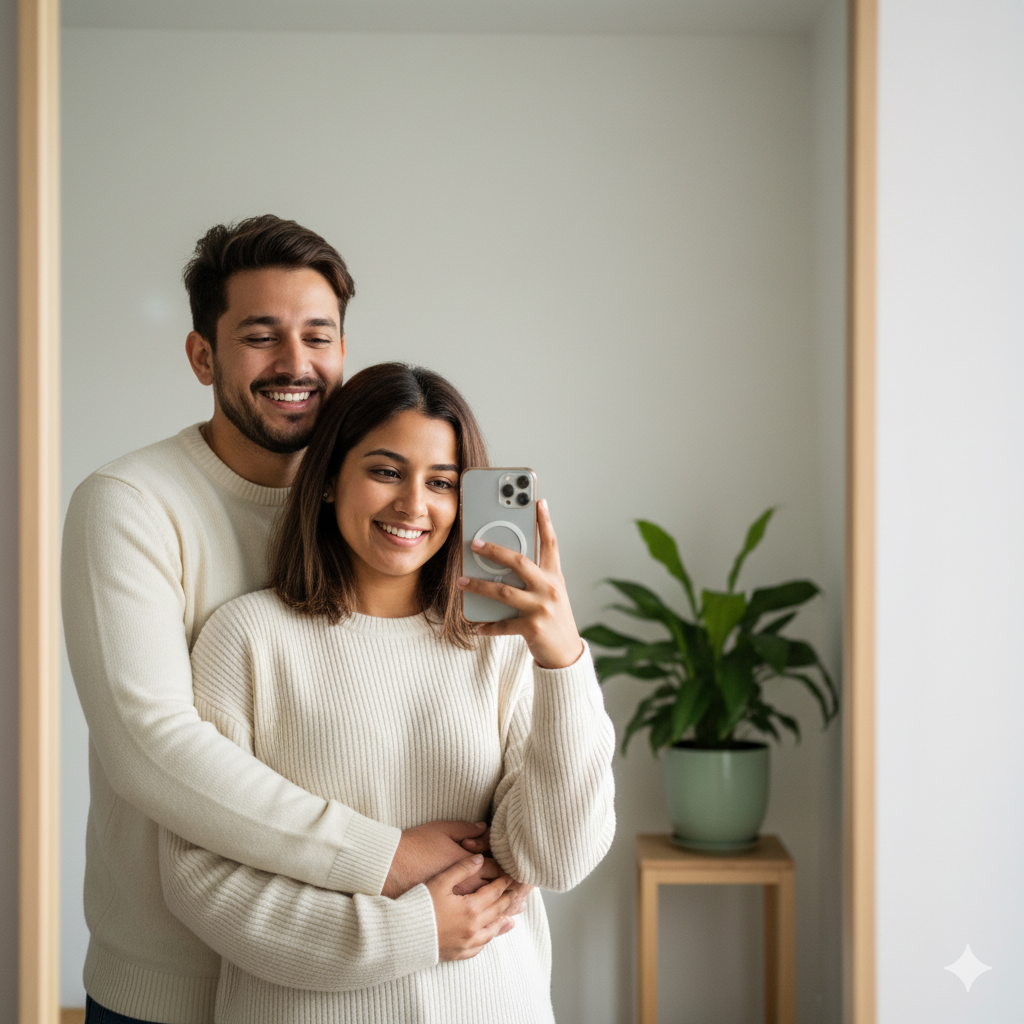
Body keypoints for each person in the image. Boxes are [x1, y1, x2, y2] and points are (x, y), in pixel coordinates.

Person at [62, 217, 513, 1024]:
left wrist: (557, 650)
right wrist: (387, 859)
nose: (295, 365)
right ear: (204, 355)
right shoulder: (129, 504)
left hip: (341, 979)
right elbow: (150, 746)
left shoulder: (379, 504)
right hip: (168, 978)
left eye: (318, 336)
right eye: (261, 338)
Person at [158, 362, 617, 1024]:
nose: (413, 505)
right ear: (329, 478)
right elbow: (202, 882)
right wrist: (412, 932)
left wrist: (563, 660)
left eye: (441, 483)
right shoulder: (245, 639)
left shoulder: (506, 649)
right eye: (385, 471)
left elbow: (557, 858)